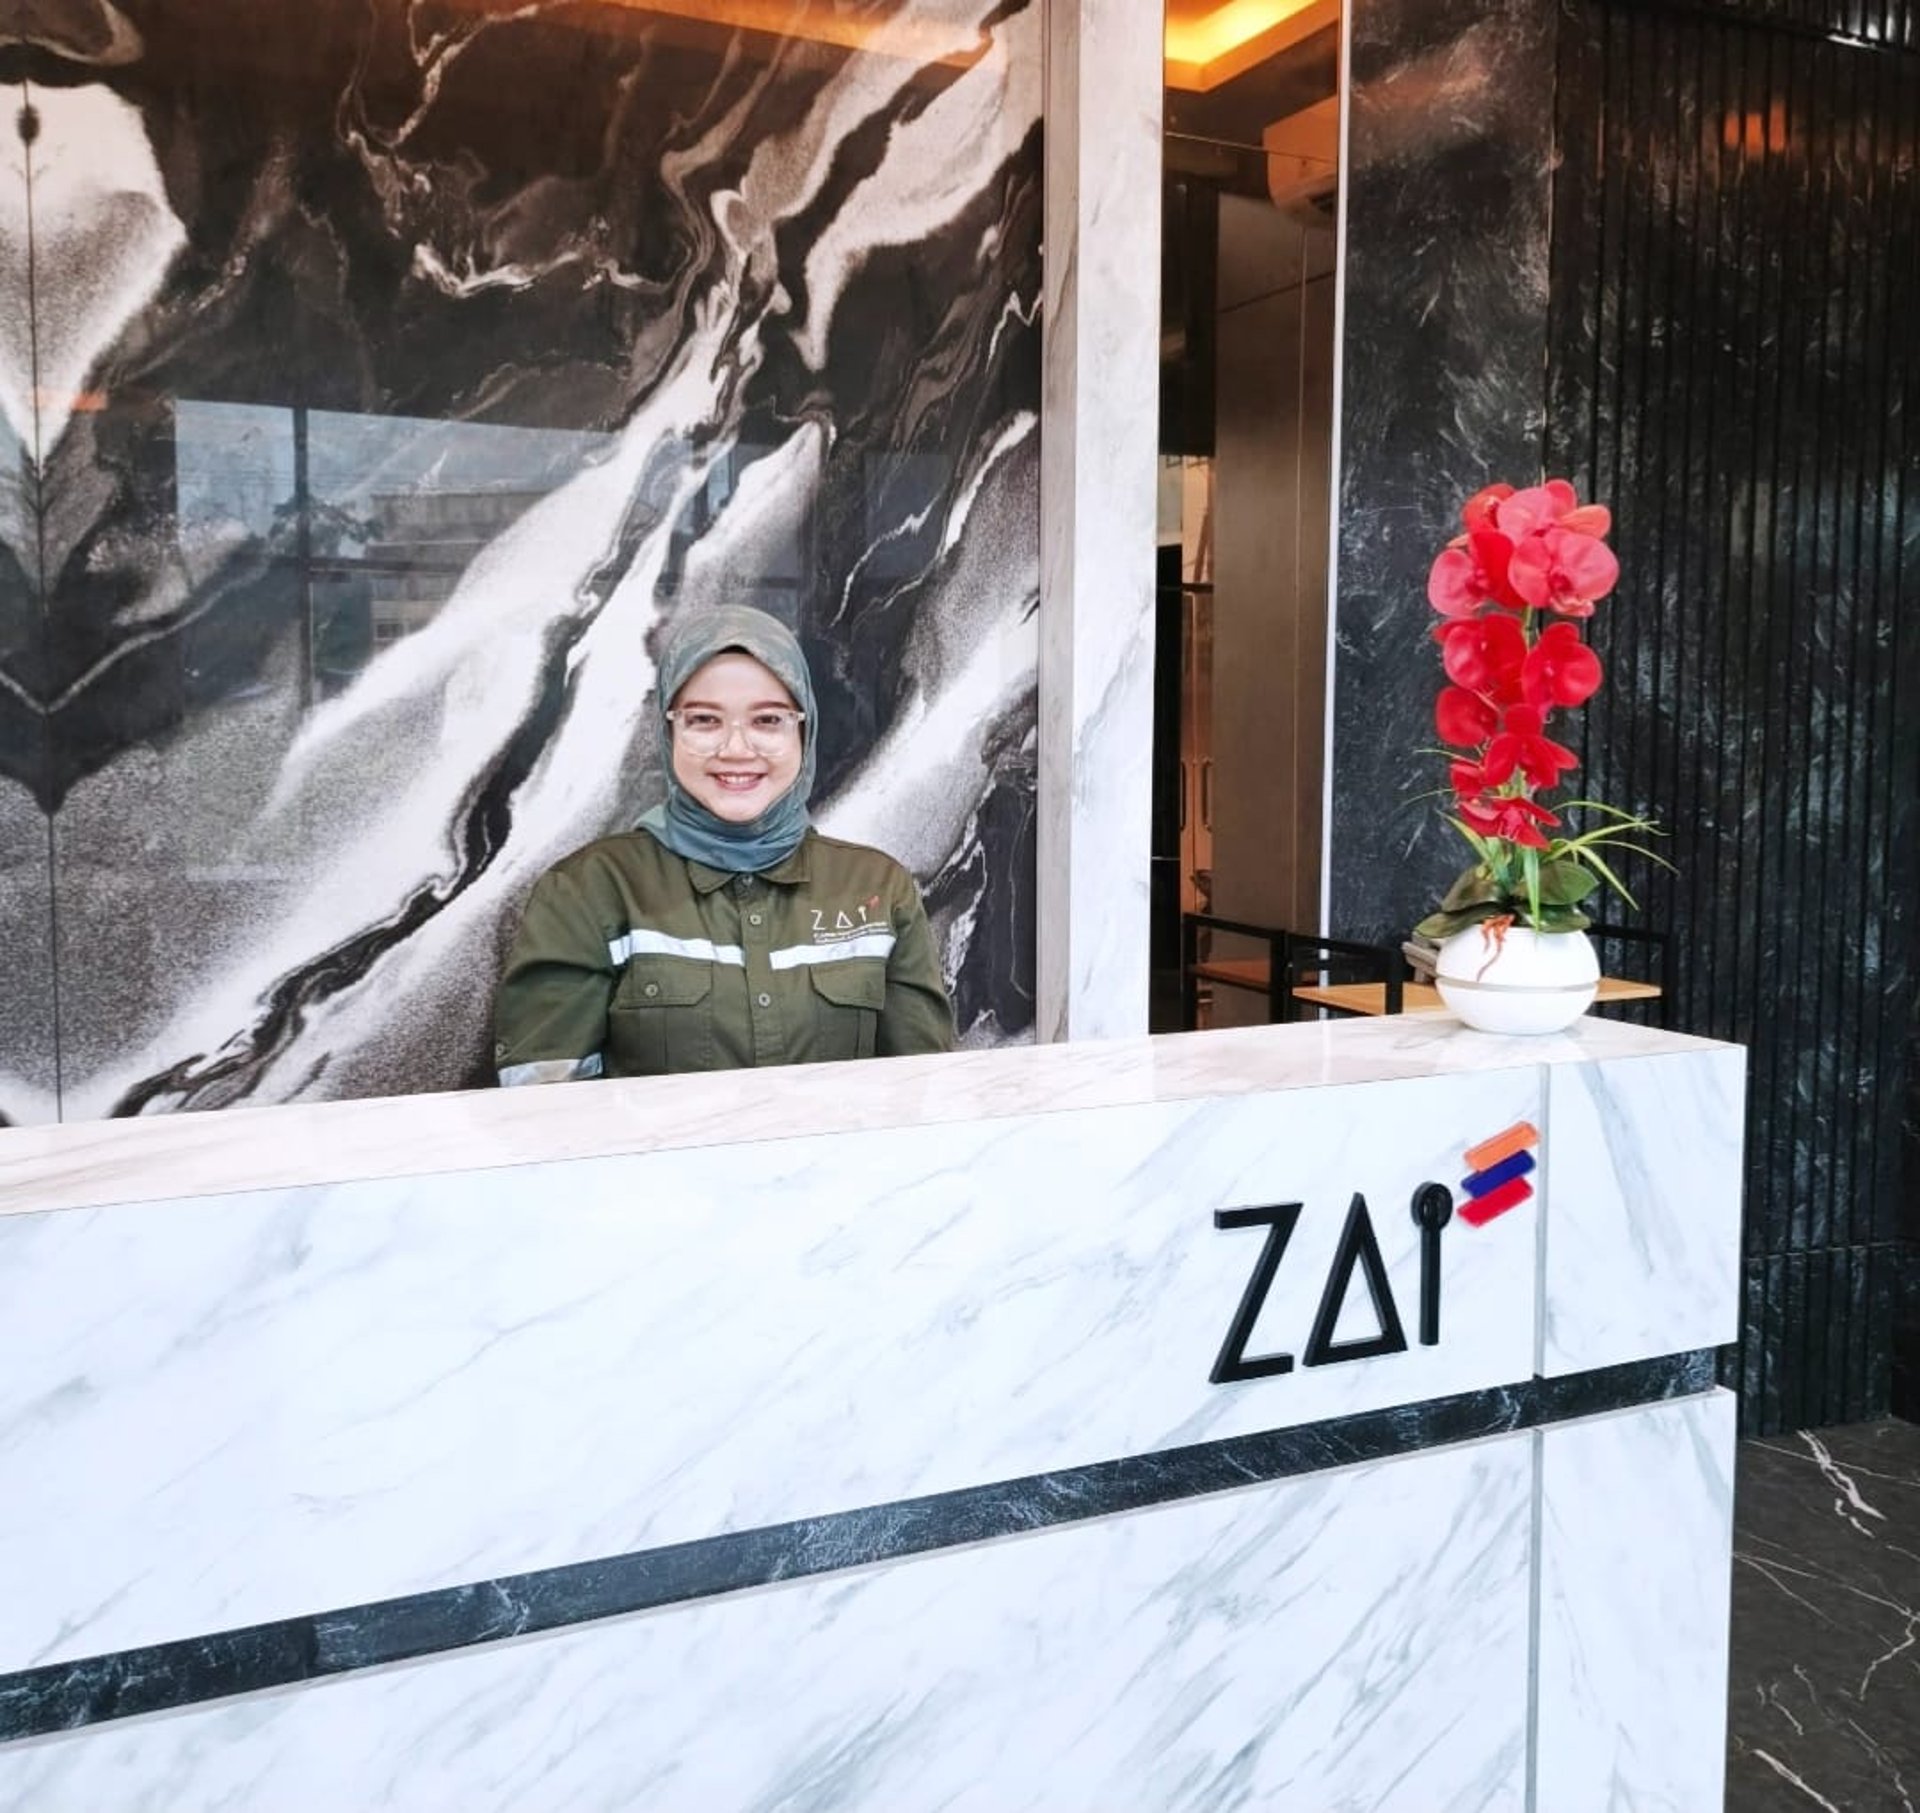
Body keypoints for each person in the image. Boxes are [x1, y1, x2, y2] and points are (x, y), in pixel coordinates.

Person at [493, 605, 955, 1084]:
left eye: (768, 720)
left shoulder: (877, 889)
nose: (736, 749)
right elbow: (545, 1120)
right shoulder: (588, 893)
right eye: (705, 721)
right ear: (668, 731)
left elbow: (923, 1096)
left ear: (805, 730)